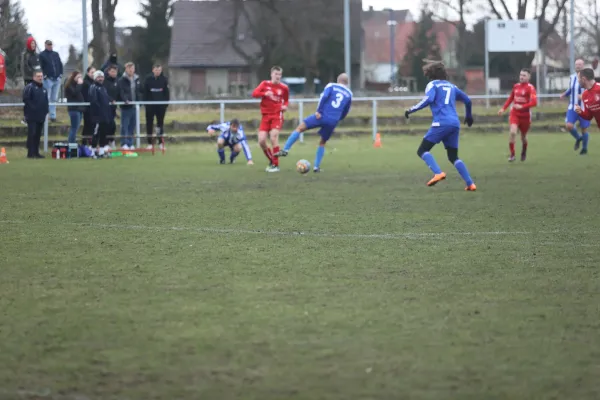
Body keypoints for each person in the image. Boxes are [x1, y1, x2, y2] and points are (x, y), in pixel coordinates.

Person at [404, 61, 476, 191]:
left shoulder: (432, 85)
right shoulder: (452, 86)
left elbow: (429, 99)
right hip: (454, 124)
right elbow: (468, 100)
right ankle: (470, 183)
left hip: (441, 123)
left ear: (430, 73)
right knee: (453, 156)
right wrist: (469, 116)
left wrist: (411, 110)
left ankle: (438, 173)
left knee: (422, 150)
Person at [277, 73, 352, 172]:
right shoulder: (349, 94)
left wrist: (319, 111)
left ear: (338, 80)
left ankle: (285, 150)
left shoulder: (331, 86)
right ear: (347, 83)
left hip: (322, 115)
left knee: (300, 128)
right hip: (333, 120)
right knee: (322, 143)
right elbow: (346, 111)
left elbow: (324, 97)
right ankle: (316, 167)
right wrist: (338, 119)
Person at [251, 66, 289, 172]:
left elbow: (286, 100)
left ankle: (276, 165)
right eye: (276, 74)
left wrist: (285, 106)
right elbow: (254, 94)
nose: (278, 76)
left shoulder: (284, 88)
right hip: (265, 116)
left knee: (273, 137)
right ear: (271, 74)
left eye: (280, 74)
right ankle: (272, 160)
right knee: (262, 141)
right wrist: (264, 93)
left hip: (277, 115)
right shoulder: (264, 84)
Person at [498, 68, 537, 162]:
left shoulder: (530, 88)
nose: (522, 77)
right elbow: (510, 98)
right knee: (512, 132)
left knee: (523, 137)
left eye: (524, 75)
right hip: (515, 113)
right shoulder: (516, 86)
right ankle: (512, 154)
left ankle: (524, 151)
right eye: (521, 75)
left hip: (525, 116)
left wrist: (522, 106)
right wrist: (503, 108)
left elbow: (534, 102)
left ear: (528, 77)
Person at [561, 59, 589, 154]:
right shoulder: (572, 77)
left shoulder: (588, 77)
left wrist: (584, 97)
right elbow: (570, 89)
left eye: (580, 64)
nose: (578, 66)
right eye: (576, 64)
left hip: (584, 108)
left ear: (583, 66)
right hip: (573, 107)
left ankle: (584, 149)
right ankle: (579, 138)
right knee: (569, 125)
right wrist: (564, 94)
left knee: (584, 129)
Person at [23, 71, 49, 159]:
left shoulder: (44, 89)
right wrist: (33, 109)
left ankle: (36, 152)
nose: (40, 78)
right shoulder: (30, 87)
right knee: (32, 133)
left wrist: (46, 111)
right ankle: (30, 153)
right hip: (31, 116)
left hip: (41, 116)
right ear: (34, 77)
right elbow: (26, 99)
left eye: (41, 76)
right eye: (38, 76)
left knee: (38, 134)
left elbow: (46, 102)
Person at [143, 64, 170, 150]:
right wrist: (146, 104)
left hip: (161, 107)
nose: (158, 71)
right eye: (156, 70)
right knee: (149, 124)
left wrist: (165, 105)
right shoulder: (148, 79)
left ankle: (160, 142)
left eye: (159, 70)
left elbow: (166, 93)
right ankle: (150, 143)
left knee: (160, 124)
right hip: (150, 107)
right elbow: (145, 93)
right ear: (153, 70)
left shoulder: (164, 79)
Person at [117, 62, 142, 149]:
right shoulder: (121, 80)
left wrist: (140, 101)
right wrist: (125, 100)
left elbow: (139, 91)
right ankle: (124, 143)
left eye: (132, 68)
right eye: (129, 68)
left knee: (132, 126)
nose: (131, 70)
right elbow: (121, 92)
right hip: (126, 107)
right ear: (126, 69)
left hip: (135, 106)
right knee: (125, 126)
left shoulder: (137, 79)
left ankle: (130, 143)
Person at [88, 70, 112, 157]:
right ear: (95, 78)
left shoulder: (103, 88)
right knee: (96, 133)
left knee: (103, 133)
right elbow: (94, 101)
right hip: (97, 116)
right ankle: (93, 151)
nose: (100, 79)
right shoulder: (93, 87)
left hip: (105, 115)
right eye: (98, 77)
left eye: (101, 77)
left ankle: (101, 151)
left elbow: (105, 99)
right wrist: (99, 112)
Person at [38, 39, 63, 123]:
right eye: (48, 45)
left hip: (57, 79)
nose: (50, 46)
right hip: (48, 79)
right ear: (45, 45)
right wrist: (44, 76)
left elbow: (60, 64)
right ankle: (45, 116)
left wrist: (60, 75)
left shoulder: (56, 54)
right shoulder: (42, 55)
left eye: (51, 44)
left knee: (54, 98)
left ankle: (53, 116)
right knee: (46, 98)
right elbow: (41, 66)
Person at [20, 36, 40, 124]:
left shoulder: (36, 55)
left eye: (34, 44)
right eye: (32, 44)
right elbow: (25, 67)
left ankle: (33, 117)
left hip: (37, 80)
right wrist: (33, 74)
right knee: (29, 99)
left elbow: (39, 67)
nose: (33, 45)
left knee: (36, 99)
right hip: (29, 79)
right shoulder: (25, 55)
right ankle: (26, 118)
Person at [575, 68, 600, 138]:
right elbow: (588, 116)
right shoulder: (585, 95)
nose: (578, 81)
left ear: (583, 79)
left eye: (578, 79)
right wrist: (580, 112)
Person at [64, 71, 85, 144]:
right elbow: (75, 93)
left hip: (79, 109)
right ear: (74, 77)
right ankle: (71, 144)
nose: (80, 78)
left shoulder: (77, 85)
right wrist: (79, 84)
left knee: (76, 128)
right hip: (73, 109)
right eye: (78, 77)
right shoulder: (69, 85)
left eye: (80, 77)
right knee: (74, 127)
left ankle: (72, 142)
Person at [103, 65, 119, 149]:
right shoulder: (105, 81)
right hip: (105, 107)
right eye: (112, 71)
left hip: (113, 108)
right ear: (109, 72)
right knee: (108, 125)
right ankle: (105, 143)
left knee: (112, 126)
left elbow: (118, 93)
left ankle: (111, 141)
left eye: (115, 72)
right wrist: (111, 99)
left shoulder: (117, 81)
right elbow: (104, 93)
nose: (114, 73)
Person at [81, 66, 96, 146]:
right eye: (92, 72)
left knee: (92, 126)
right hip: (88, 108)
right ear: (88, 73)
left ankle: (89, 143)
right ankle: (85, 143)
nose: (93, 74)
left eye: (94, 72)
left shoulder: (94, 82)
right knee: (87, 126)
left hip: (93, 108)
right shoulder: (86, 83)